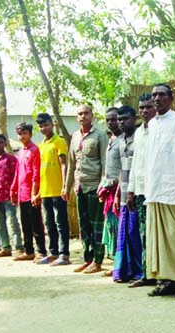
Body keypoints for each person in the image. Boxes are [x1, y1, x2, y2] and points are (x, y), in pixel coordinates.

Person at [128, 83, 175, 301]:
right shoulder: (150, 125)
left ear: (171, 98)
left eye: (161, 95)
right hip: (152, 189)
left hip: (173, 186)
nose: (157, 99)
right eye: (154, 95)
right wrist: (135, 188)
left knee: (174, 236)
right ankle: (166, 280)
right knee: (156, 239)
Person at [66, 105, 109, 274]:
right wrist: (66, 186)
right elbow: (71, 163)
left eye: (86, 113)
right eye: (80, 114)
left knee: (96, 225)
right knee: (84, 227)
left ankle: (98, 261)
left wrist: (102, 186)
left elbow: (105, 162)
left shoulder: (100, 135)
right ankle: (87, 259)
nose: (83, 116)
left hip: (94, 187)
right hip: (80, 186)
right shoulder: (75, 136)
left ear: (92, 116)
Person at [123, 94, 157, 287]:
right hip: (141, 190)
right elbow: (136, 164)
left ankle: (161, 274)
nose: (145, 111)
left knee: (157, 234)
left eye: (148, 107)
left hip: (158, 190)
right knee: (143, 233)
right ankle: (146, 273)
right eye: (141, 108)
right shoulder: (139, 133)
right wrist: (131, 191)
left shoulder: (159, 129)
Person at [102, 106, 139, 280]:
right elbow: (121, 169)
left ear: (135, 118)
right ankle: (125, 271)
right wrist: (118, 194)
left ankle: (140, 272)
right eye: (119, 119)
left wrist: (132, 192)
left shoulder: (140, 138)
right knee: (123, 234)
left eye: (125, 119)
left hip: (137, 193)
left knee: (134, 233)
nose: (121, 122)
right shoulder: (120, 140)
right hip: (123, 192)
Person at [36, 113, 71, 266]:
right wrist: (37, 191)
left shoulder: (60, 142)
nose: (44, 128)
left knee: (61, 222)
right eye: (41, 126)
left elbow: (64, 164)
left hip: (58, 190)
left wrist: (65, 185)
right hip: (45, 191)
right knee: (49, 223)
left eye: (46, 125)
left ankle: (64, 254)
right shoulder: (41, 145)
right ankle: (53, 252)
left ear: (53, 124)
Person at [12, 122, 47, 261]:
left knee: (36, 223)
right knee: (25, 224)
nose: (22, 136)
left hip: (31, 193)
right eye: (20, 134)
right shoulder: (21, 152)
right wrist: (13, 190)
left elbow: (36, 173)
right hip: (21, 193)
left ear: (30, 134)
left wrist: (34, 193)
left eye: (24, 133)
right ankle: (28, 251)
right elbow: (17, 172)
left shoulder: (34, 150)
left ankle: (41, 251)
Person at [0, 134, 23, 258]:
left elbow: (16, 177)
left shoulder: (11, 159)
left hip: (8, 195)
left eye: (1, 142)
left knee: (12, 222)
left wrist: (16, 193)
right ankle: (5, 247)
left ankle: (18, 247)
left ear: (5, 144)